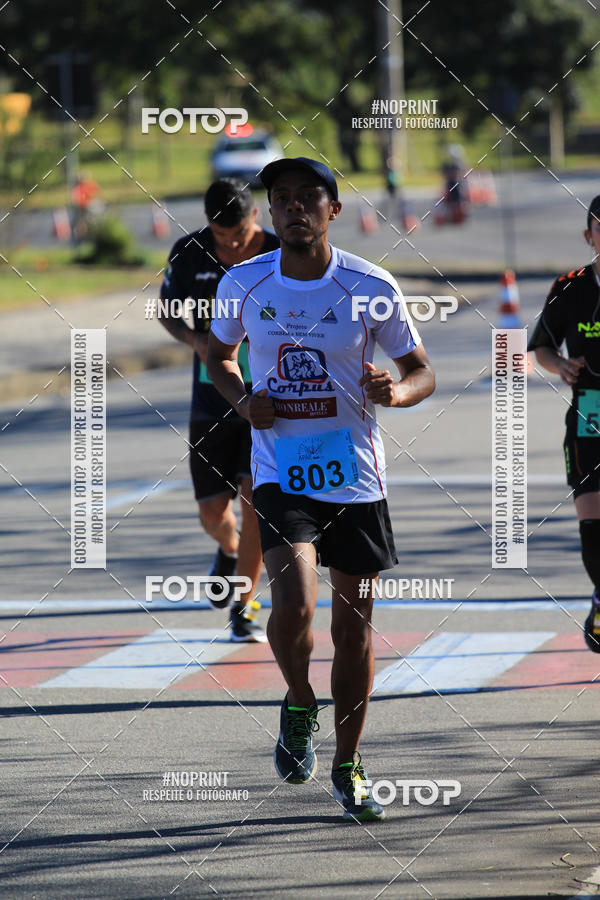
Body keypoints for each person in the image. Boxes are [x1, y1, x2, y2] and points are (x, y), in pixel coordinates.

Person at [207, 157, 435, 820]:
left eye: (310, 197)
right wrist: (243, 399)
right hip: (283, 471)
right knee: (296, 607)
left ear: (334, 210)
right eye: (282, 199)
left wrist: (397, 391)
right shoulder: (244, 284)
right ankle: (300, 700)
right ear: (271, 214)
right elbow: (219, 356)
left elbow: (420, 370)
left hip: (356, 476)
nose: (295, 208)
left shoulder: (370, 285)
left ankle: (348, 763)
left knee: (356, 628)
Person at [159, 178, 279, 641]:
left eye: (239, 236)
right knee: (212, 513)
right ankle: (229, 551)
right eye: (221, 237)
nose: (230, 246)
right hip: (211, 399)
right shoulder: (189, 252)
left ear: (255, 218)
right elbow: (167, 311)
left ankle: (245, 601)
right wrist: (195, 340)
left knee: (253, 501)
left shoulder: (278, 251)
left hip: (265, 400)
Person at [528, 195, 600, 654]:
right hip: (592, 406)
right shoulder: (570, 287)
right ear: (590, 236)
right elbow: (542, 349)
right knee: (593, 516)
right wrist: (562, 366)